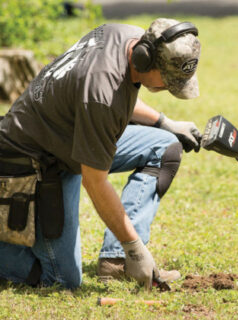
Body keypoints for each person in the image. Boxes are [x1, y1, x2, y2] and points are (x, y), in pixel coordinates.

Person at [0, 18, 202, 290]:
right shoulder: (101, 93)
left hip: (71, 137)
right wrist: (135, 247)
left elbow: (117, 93)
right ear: (145, 60)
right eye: (167, 80)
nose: (168, 87)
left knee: (163, 147)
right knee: (62, 279)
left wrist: (164, 122)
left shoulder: (125, 35)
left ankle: (117, 261)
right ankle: (129, 252)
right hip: (35, 161)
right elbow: (94, 181)